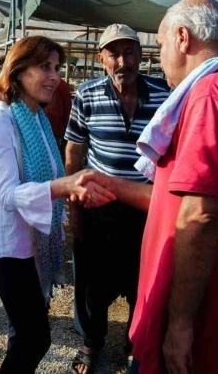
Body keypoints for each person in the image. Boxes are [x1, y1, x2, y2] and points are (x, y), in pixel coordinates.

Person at [80, 0, 218, 374]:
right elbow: (178, 200)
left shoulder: (211, 97)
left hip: (204, 313)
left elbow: (199, 215)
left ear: (183, 38)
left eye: (162, 44)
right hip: (217, 300)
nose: (161, 54)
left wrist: (181, 323)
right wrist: (109, 184)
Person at [0, 36, 115, 374]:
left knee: (28, 336)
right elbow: (8, 194)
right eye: (44, 67)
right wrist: (61, 186)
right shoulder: (1, 122)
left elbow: (47, 180)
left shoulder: (36, 119)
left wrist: (71, 191)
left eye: (57, 68)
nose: (54, 76)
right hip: (9, 244)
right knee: (34, 338)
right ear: (18, 71)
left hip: (33, 241)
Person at [65, 24, 170, 374]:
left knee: (144, 283)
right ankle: (92, 344)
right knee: (94, 284)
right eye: (113, 53)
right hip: (99, 208)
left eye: (129, 52)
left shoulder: (163, 94)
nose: (122, 60)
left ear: (141, 56)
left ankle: (134, 345)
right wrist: (74, 210)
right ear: (101, 59)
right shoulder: (87, 94)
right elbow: (75, 153)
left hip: (147, 208)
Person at [43, 77, 72, 155]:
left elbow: (67, 110)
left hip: (55, 131)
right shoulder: (62, 85)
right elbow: (68, 111)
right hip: (57, 131)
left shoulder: (62, 85)